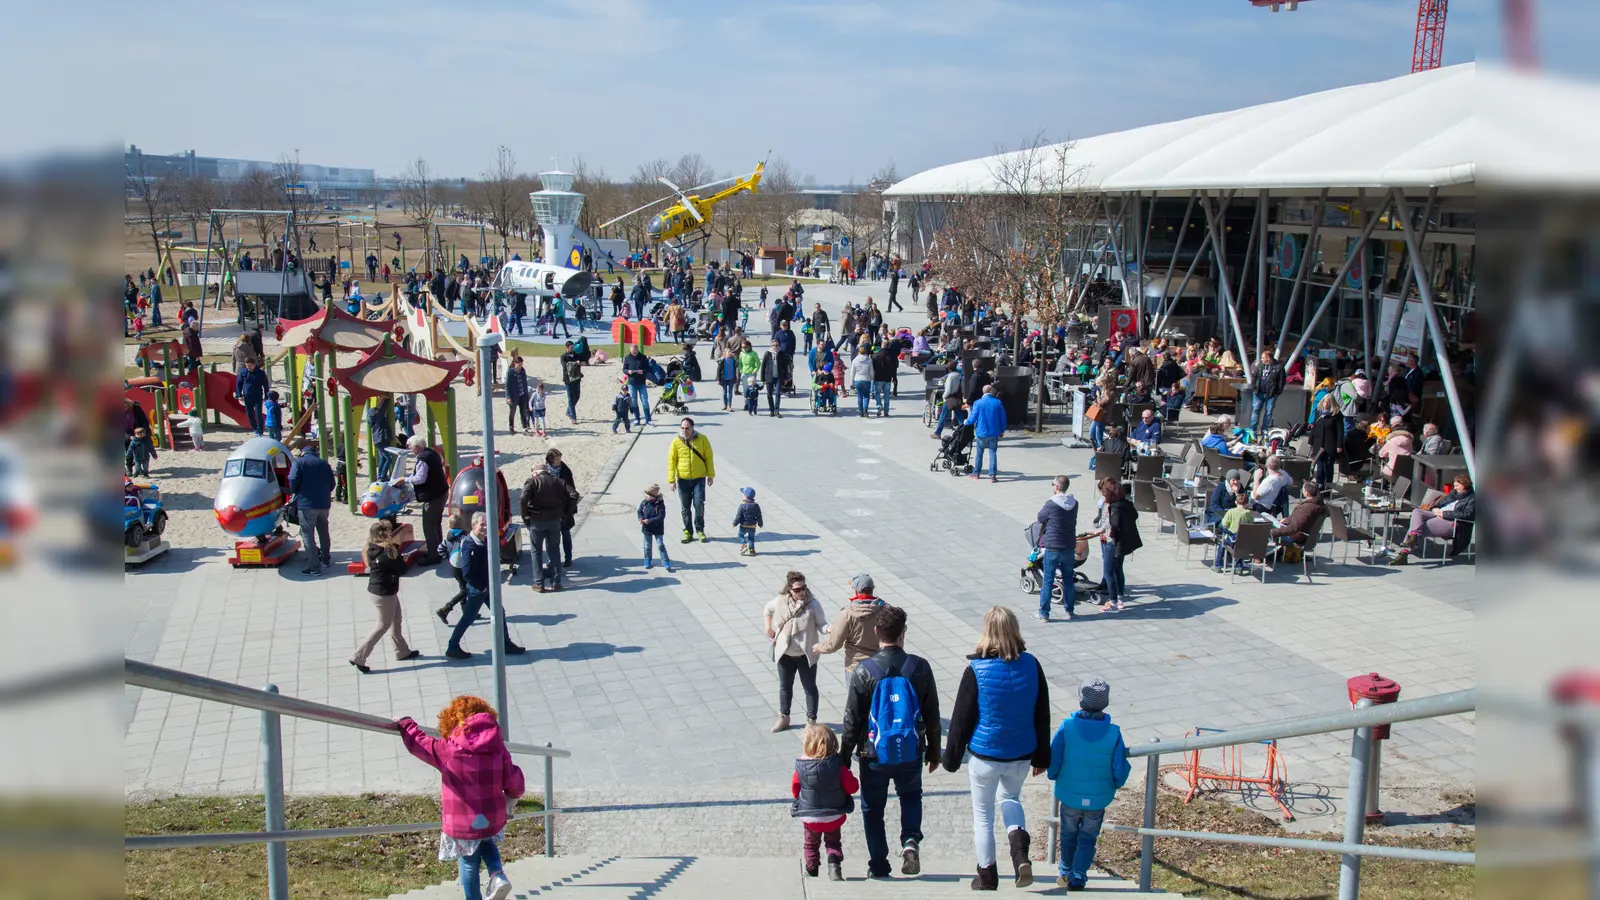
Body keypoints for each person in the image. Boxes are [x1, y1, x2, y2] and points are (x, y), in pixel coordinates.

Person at [942, 606, 1052, 890]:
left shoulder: (977, 669)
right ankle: (1019, 853)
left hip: (985, 756)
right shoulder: (1032, 664)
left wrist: (950, 759)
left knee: (983, 815)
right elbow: (1042, 713)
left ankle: (987, 875)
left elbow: (961, 719)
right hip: (1021, 753)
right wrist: (1043, 756)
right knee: (1011, 799)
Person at [839, 604, 941, 880]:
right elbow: (932, 715)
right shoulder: (919, 667)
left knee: (873, 809)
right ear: (903, 633)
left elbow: (852, 720)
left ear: (876, 632)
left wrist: (844, 756)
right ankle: (910, 841)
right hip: (910, 751)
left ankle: (879, 864)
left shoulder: (864, 671)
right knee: (910, 796)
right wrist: (933, 750)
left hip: (874, 754)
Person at [396, 696, 525, 900]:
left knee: (468, 862)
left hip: (462, 818)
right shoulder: (497, 747)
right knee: (485, 842)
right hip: (491, 814)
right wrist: (514, 795)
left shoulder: (448, 749)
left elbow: (420, 745)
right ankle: (497, 874)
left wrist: (406, 723)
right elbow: (512, 777)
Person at [1047, 677, 1131, 891]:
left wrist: (1053, 774)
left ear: (1081, 700)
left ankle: (1065, 872)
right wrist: (1116, 783)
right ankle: (1079, 875)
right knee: (1087, 837)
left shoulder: (1067, 727)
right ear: (1106, 702)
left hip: (1070, 794)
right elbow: (1119, 767)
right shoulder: (1114, 733)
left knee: (1067, 834)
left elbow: (1054, 757)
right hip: (1098, 796)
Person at [446, 512, 526, 657]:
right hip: (478, 590)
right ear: (473, 525)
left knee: (498, 612)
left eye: (486, 524)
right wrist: (481, 587)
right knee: (468, 618)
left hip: (486, 587)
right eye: (482, 524)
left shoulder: (484, 540)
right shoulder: (470, 545)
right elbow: (468, 573)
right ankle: (453, 646)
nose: (485, 527)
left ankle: (506, 643)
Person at [349, 521, 422, 673]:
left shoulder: (371, 548)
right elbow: (402, 568)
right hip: (385, 592)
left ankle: (402, 651)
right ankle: (359, 656)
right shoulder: (388, 551)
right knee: (382, 625)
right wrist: (398, 552)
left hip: (377, 590)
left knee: (396, 619)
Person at [791, 723, 859, 882]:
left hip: (810, 817)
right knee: (833, 842)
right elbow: (852, 787)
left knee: (810, 844)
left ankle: (811, 870)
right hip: (833, 815)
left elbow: (795, 789)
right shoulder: (838, 765)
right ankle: (834, 866)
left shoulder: (801, 767)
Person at [765, 571, 827, 732]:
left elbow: (822, 624)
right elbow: (767, 610)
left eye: (803, 588)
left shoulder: (813, 604)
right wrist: (768, 628)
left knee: (810, 687)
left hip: (806, 654)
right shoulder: (780, 601)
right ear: (789, 590)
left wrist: (830, 629)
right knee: (785, 686)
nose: (801, 592)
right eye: (797, 589)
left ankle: (811, 721)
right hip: (785, 653)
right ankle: (784, 718)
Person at [1388, 473, 1476, 565]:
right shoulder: (1454, 494)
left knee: (1421, 526)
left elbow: (1466, 514)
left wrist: (1443, 514)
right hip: (1437, 513)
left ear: (1464, 484)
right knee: (1417, 512)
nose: (1455, 488)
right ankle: (1412, 537)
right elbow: (1440, 504)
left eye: (1457, 486)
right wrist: (1435, 508)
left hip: (1452, 521)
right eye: (1454, 486)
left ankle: (1403, 553)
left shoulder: (1472, 499)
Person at [520, 462, 576, 593]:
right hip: (554, 521)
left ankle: (539, 583)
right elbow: (574, 495)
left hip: (536, 520)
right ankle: (556, 582)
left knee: (536, 551)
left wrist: (526, 516)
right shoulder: (558, 481)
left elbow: (523, 498)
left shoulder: (532, 481)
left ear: (535, 472)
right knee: (554, 550)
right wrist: (565, 512)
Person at [812, 573, 886, 670]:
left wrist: (819, 647)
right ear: (872, 589)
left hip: (856, 667)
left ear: (856, 591)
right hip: (880, 664)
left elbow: (834, 644)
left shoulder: (846, 614)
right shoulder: (886, 610)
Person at [1089, 478, 1141, 611]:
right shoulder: (1126, 503)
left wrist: (1108, 535)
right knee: (1118, 570)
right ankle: (1120, 599)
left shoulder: (1115, 507)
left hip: (1111, 544)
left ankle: (1112, 602)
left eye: (1103, 493)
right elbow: (1134, 516)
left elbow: (1114, 524)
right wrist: (1100, 530)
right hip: (1121, 544)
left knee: (1108, 573)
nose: (1102, 495)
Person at [395, 435, 448, 566]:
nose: (409, 448)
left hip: (433, 496)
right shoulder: (431, 453)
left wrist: (405, 479)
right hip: (441, 492)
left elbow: (420, 479)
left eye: (410, 446)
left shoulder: (423, 458)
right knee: (436, 524)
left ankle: (433, 556)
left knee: (429, 526)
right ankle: (437, 550)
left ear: (418, 447)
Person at [1034, 475, 1080, 622]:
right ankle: (1070, 611)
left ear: (1057, 487)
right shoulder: (1075, 503)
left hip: (1053, 546)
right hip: (1069, 546)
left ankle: (1044, 613)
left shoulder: (1051, 503)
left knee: (1048, 580)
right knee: (1068, 580)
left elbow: (1040, 517)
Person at [288, 444, 335, 575]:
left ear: (303, 453)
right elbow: (332, 484)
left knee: (308, 535)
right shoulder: (324, 464)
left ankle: (314, 568)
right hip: (324, 504)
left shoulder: (299, 462)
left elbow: (292, 478)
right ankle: (326, 560)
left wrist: (295, 491)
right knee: (324, 532)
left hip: (307, 504)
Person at [666, 417, 714, 542]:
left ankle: (700, 530)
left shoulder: (702, 439)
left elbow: (709, 457)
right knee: (685, 507)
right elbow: (671, 461)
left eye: (687, 428)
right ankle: (688, 531)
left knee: (699, 505)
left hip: (699, 479)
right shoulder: (676, 441)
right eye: (682, 428)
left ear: (693, 428)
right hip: (683, 479)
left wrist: (711, 475)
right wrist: (671, 480)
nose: (684, 430)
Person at [967, 385, 1007, 483]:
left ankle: (976, 473)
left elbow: (973, 417)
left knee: (979, 454)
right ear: (991, 391)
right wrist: (1002, 430)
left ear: (983, 392)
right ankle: (992, 475)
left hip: (981, 433)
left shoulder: (978, 403)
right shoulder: (998, 402)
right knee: (993, 453)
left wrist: (966, 422)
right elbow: (1003, 418)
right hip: (994, 432)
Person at [1271, 482, 1327, 547]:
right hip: (1303, 535)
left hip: (1293, 536)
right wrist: (1288, 519)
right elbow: (1302, 520)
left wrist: (1273, 532)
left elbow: (1294, 528)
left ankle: (1265, 553)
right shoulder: (1319, 505)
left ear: (1306, 493)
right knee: (1267, 517)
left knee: (1265, 525)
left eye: (1303, 489)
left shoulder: (1306, 508)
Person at [637, 484, 674, 572]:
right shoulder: (644, 502)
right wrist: (641, 518)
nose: (646, 496)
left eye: (648, 495)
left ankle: (665, 561)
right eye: (645, 494)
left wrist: (649, 521)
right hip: (647, 529)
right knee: (647, 546)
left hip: (657, 528)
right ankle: (647, 561)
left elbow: (660, 517)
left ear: (653, 496)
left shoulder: (660, 505)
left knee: (660, 545)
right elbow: (639, 511)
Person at [1308, 396, 1344, 487]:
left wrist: (1339, 445)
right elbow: (1314, 427)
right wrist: (1310, 441)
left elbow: (1340, 431)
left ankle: (1328, 486)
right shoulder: (1319, 412)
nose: (1326, 403)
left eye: (1328, 402)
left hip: (1330, 445)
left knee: (1328, 467)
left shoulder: (1336, 415)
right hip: (1318, 443)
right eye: (1324, 401)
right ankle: (1319, 485)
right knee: (1319, 467)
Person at [235, 358, 269, 436]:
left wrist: (266, 396)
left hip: (257, 396)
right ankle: (255, 429)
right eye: (247, 366)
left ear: (254, 364)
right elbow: (238, 383)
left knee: (258, 414)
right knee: (250, 415)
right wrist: (239, 394)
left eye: (250, 366)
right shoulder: (243, 372)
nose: (248, 367)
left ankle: (260, 430)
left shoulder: (260, 373)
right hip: (247, 397)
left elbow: (265, 385)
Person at [622, 346, 653, 426]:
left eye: (635, 352)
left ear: (637, 350)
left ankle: (648, 420)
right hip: (632, 383)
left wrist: (643, 371)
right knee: (634, 402)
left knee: (645, 402)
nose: (634, 354)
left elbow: (648, 369)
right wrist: (628, 371)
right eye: (632, 352)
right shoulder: (627, 358)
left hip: (642, 382)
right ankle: (637, 419)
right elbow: (624, 369)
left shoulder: (643, 357)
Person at [733, 486, 764, 556]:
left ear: (745, 497)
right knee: (751, 538)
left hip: (743, 525)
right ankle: (752, 550)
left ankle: (743, 545)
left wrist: (735, 523)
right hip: (752, 525)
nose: (742, 496)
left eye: (743, 495)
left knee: (740, 535)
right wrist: (760, 524)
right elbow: (759, 516)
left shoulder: (742, 505)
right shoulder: (756, 505)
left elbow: (738, 516)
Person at [505, 356, 532, 434]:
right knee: (512, 411)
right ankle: (511, 427)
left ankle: (525, 428)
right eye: (519, 364)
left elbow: (525, 383)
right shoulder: (510, 372)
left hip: (522, 394)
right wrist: (508, 397)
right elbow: (507, 385)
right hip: (513, 395)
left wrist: (527, 394)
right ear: (515, 363)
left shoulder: (523, 371)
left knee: (523, 411)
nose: (520, 366)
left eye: (521, 364)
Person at [559, 341, 583, 424]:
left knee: (577, 396)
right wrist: (575, 363)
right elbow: (565, 366)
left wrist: (581, 362)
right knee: (570, 398)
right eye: (571, 348)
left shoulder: (576, 355)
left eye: (573, 347)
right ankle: (573, 417)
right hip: (568, 380)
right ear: (567, 348)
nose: (572, 349)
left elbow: (582, 361)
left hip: (576, 378)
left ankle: (569, 411)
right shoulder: (563, 356)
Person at [848, 344, 875, 418]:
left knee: (859, 396)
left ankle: (860, 411)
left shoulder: (854, 360)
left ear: (858, 352)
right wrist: (872, 378)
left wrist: (851, 383)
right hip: (866, 380)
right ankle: (865, 409)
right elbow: (871, 371)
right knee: (866, 396)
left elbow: (852, 373)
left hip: (858, 379)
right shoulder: (869, 360)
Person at [760, 339, 784, 417]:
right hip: (769, 377)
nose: (775, 347)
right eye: (774, 345)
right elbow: (763, 366)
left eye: (777, 345)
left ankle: (777, 411)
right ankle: (772, 410)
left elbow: (785, 366)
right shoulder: (767, 354)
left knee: (777, 393)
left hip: (778, 377)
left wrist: (786, 377)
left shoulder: (781, 353)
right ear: (771, 346)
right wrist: (762, 379)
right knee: (769, 394)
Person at [716, 345, 740, 411]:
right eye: (728, 352)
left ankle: (729, 406)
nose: (730, 353)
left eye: (730, 352)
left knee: (730, 393)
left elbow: (736, 367)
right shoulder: (722, 360)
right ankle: (725, 405)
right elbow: (718, 370)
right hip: (724, 379)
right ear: (725, 353)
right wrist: (718, 379)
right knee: (724, 393)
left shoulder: (733, 360)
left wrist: (735, 378)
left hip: (731, 378)